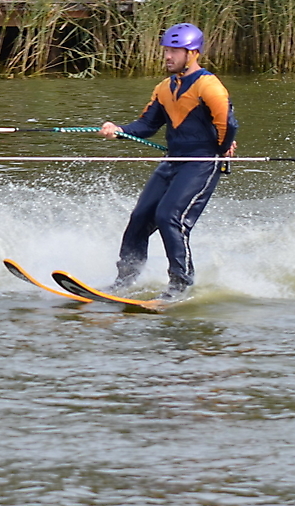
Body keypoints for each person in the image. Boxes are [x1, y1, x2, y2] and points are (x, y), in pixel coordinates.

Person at [98, 23, 237, 301]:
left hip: (201, 163)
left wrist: (222, 150)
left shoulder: (209, 86)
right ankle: (124, 281)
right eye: (166, 51)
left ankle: (180, 284)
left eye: (175, 51)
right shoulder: (164, 88)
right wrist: (120, 130)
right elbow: (147, 125)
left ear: (192, 53)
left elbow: (228, 124)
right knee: (139, 219)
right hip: (172, 161)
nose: (168, 56)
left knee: (169, 217)